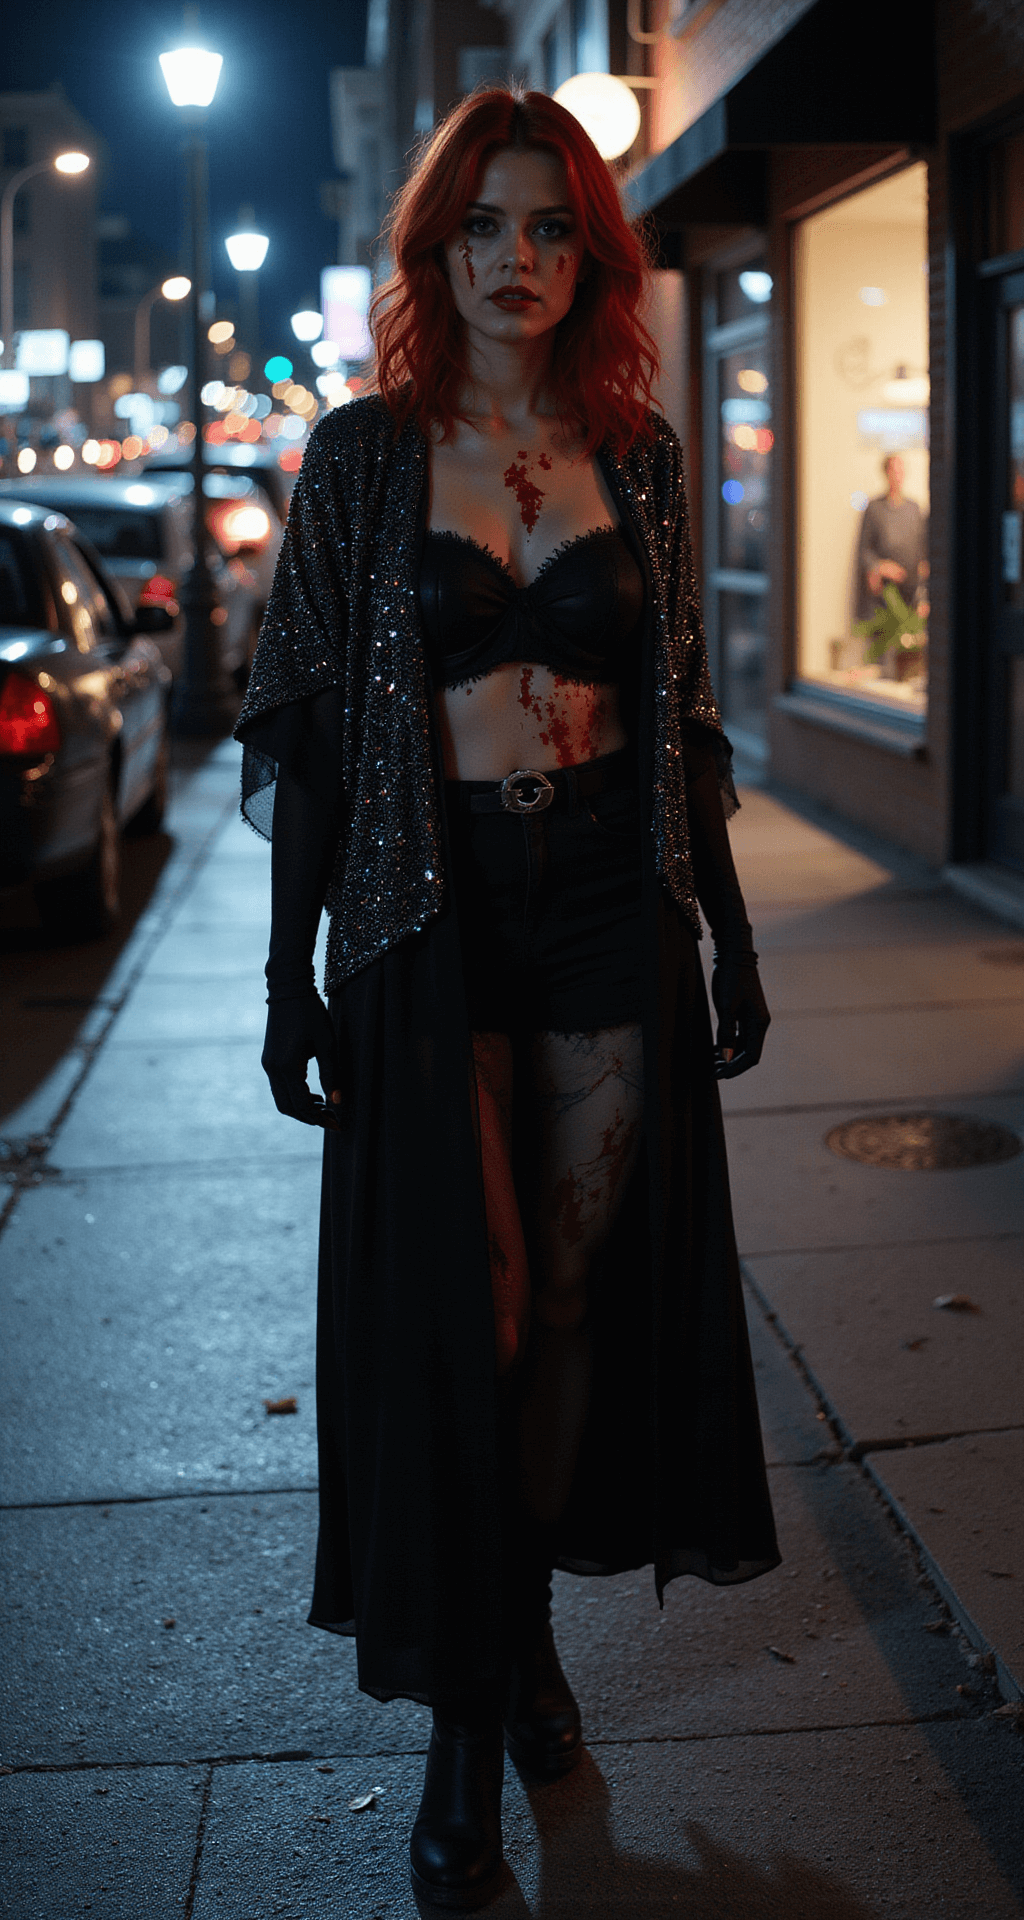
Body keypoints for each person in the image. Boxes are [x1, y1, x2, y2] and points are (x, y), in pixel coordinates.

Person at [236, 86, 779, 1912]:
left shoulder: (639, 454)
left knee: (561, 1311)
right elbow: (306, 731)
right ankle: (463, 1716)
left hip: (602, 912)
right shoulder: (361, 458)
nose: (517, 260)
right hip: (426, 910)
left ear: (589, 257)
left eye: (550, 230)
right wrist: (284, 965)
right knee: (456, 1309)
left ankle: (522, 1647)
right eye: (485, 227)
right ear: (434, 250)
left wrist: (731, 926)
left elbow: (684, 711)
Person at [855, 453, 929, 623]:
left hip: (911, 591)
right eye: (893, 470)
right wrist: (879, 567)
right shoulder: (874, 509)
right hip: (885, 593)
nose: (897, 475)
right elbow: (864, 550)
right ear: (886, 473)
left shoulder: (914, 508)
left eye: (900, 470)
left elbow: (924, 547)